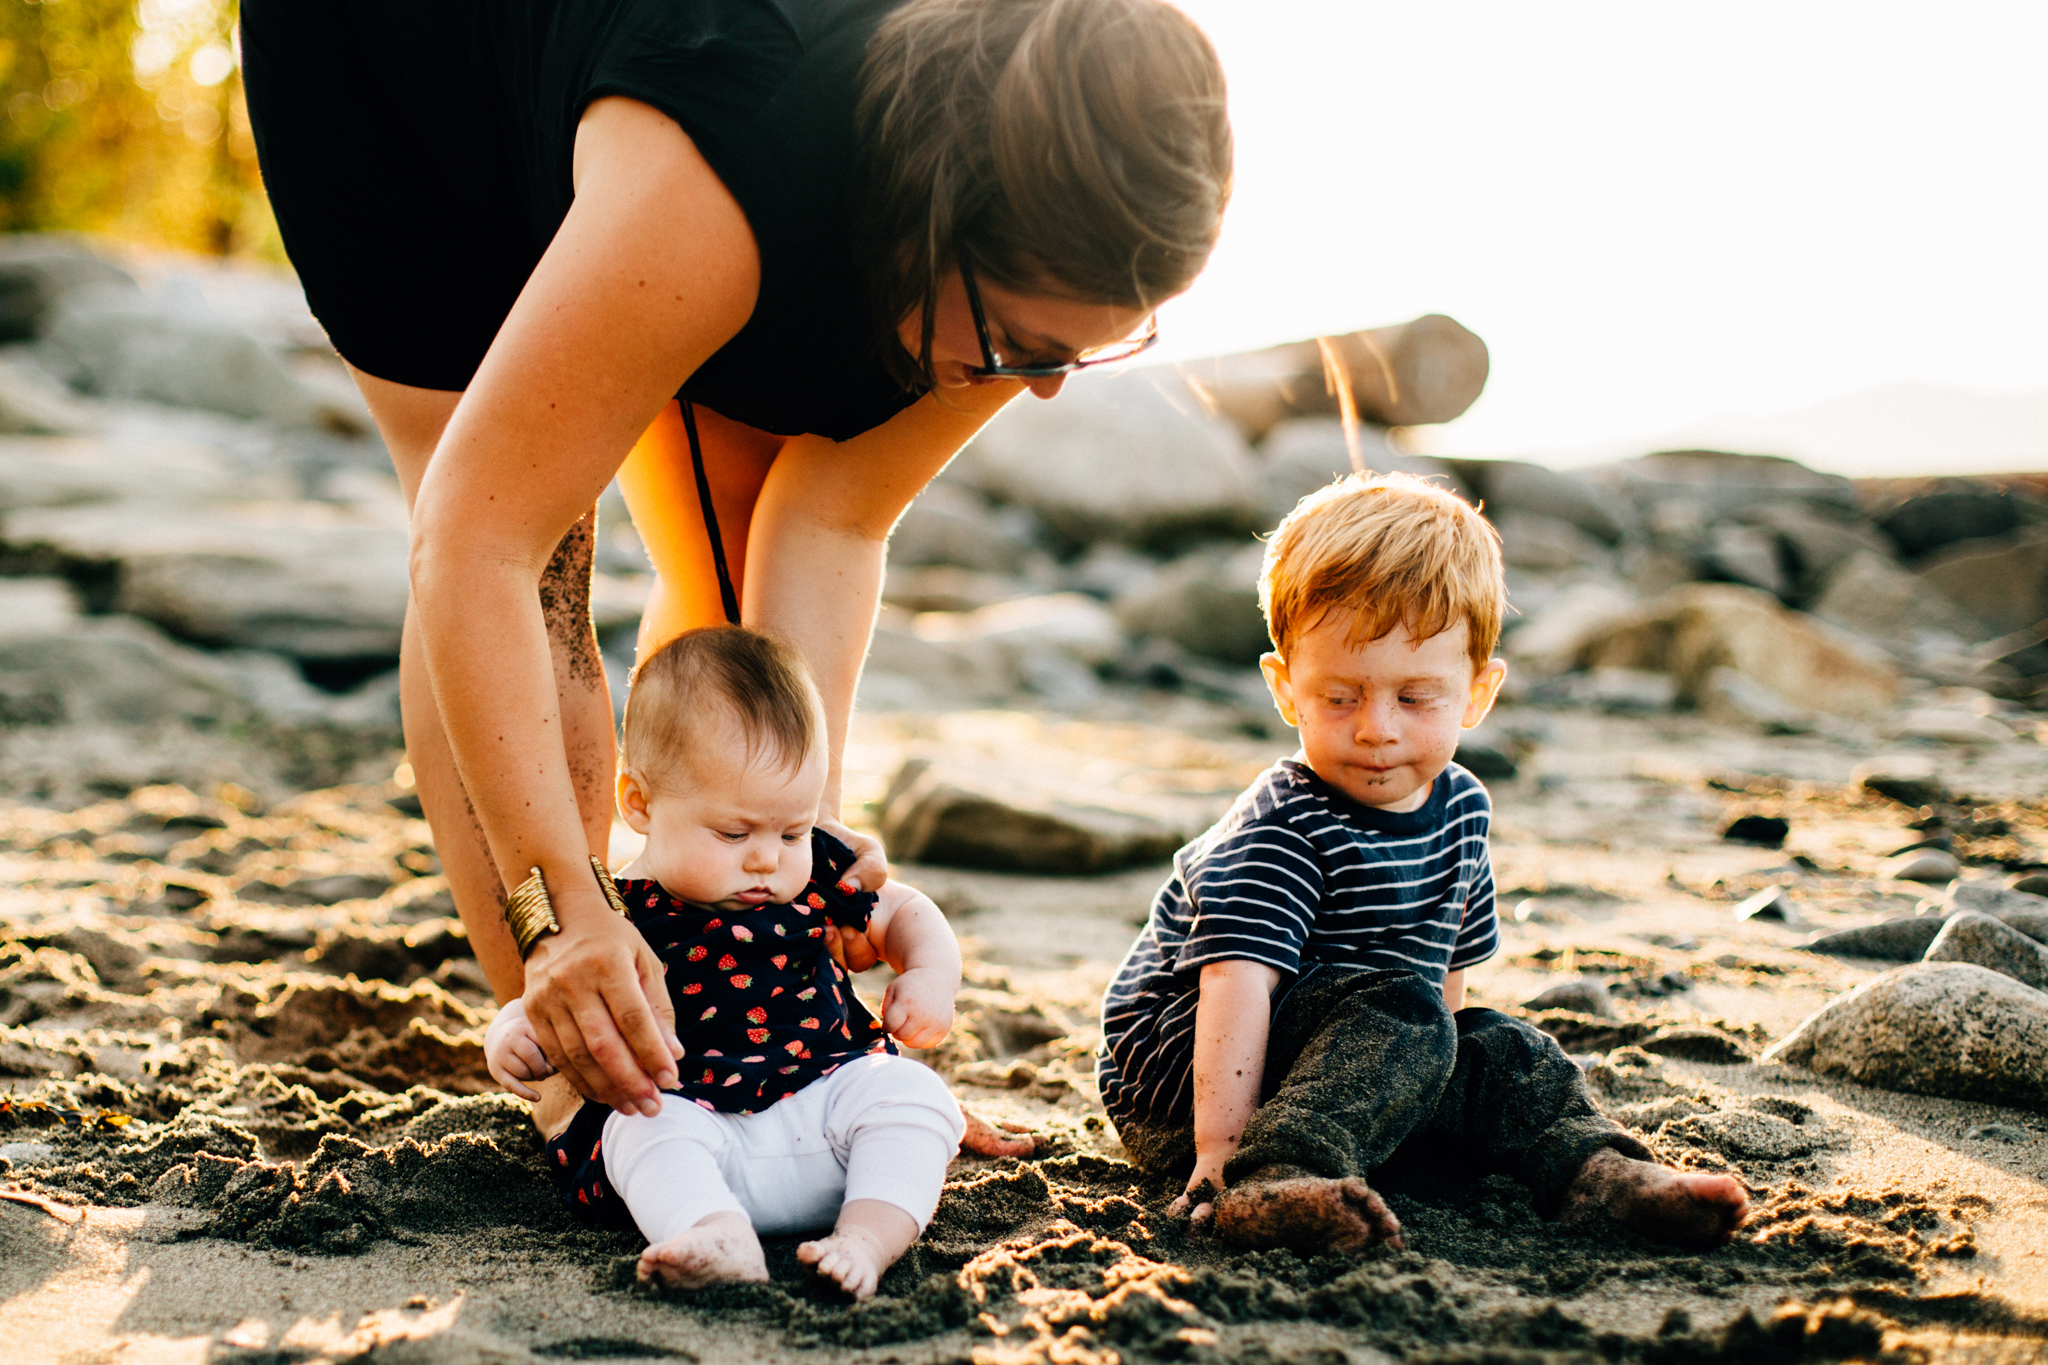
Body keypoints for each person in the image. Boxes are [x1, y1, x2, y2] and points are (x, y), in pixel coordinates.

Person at [238, 0, 1233, 1136]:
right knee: (530, 525)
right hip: (409, 60)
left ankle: (701, 1005)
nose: (1041, 385)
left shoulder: (1044, 208)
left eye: (1096, 347)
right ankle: (584, 1065)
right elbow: (477, 545)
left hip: (692, 110)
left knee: (737, 514)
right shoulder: (732, 173)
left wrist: (798, 873)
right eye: (1022, 346)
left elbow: (825, 527)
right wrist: (558, 916)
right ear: (942, 215)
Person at [1096, 473, 1752, 1252]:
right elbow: (1233, 989)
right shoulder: (1281, 828)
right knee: (1404, 1011)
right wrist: (1217, 1157)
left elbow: (1444, 986)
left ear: (1477, 693)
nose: (1376, 728)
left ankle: (1598, 1175)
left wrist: (1433, 1088)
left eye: (1415, 698)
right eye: (1340, 696)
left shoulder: (1463, 810)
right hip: (1189, 1088)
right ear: (1285, 687)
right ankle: (1275, 1178)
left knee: (1505, 1048)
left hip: (1351, 1058)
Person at [486, 625, 966, 1297]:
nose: (767, 857)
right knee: (639, 1123)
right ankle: (715, 1234)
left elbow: (907, 912)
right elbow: (559, 990)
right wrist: (512, 1033)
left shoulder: (817, 878)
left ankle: (865, 1239)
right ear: (640, 803)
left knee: (914, 1095)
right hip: (695, 1128)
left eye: (792, 830)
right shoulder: (616, 911)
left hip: (826, 1113)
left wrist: (928, 976)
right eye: (734, 832)